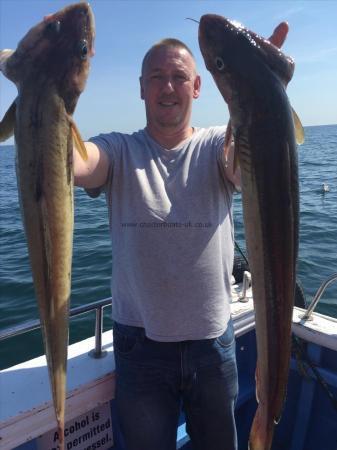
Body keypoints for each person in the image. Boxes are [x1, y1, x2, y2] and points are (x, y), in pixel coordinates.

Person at [74, 22, 289, 450]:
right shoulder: (118, 149)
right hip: (141, 346)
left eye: (177, 77)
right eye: (156, 77)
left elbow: (244, 167)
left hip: (213, 342)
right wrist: (55, 85)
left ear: (196, 88)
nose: (167, 87)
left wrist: (257, 88)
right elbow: (78, 165)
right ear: (141, 88)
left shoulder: (217, 145)